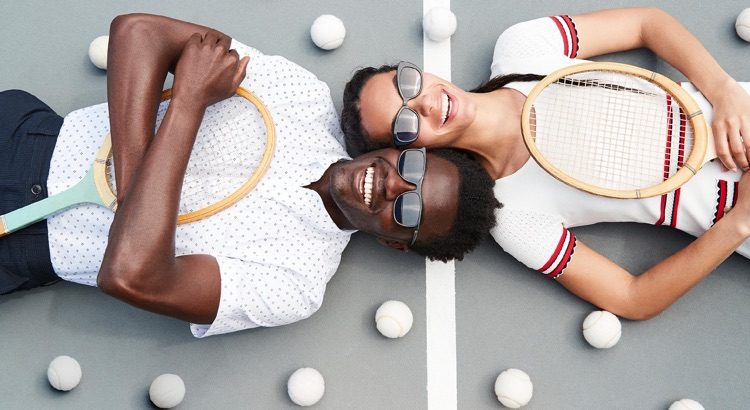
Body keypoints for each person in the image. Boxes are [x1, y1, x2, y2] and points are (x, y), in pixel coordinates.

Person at [0, 13, 499, 337]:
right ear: (403, 145)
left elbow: (130, 276)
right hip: (23, 138)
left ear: (395, 243)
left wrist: (191, 103)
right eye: (413, 166)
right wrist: (136, 197)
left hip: (21, 246)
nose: (395, 184)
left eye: (408, 208)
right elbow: (138, 32)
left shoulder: (297, 284)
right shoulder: (300, 97)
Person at [340, 7, 750, 321]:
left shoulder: (522, 46)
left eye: (406, 84)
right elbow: (631, 298)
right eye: (406, 121)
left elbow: (647, 23)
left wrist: (724, 90)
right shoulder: (513, 217)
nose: (427, 102)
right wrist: (738, 225)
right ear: (415, 155)